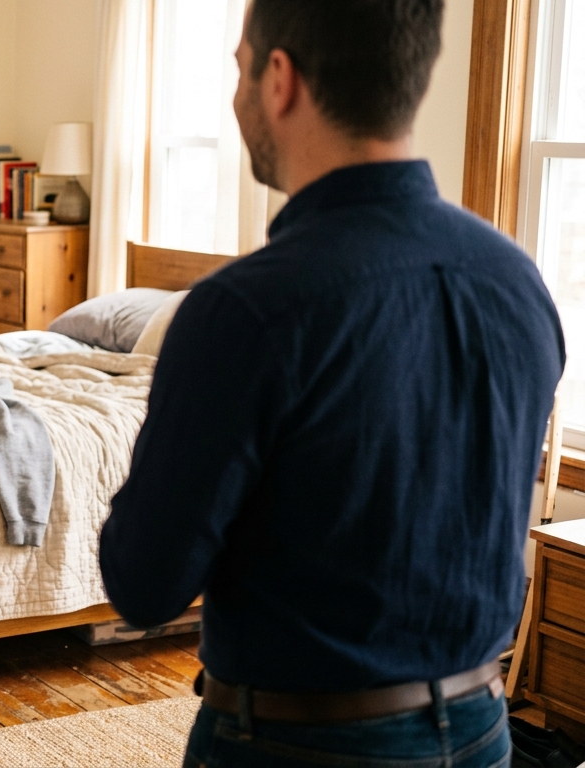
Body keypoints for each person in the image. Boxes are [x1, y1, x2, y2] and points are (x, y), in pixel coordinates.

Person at [98, 1, 565, 765]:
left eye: (239, 67)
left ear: (279, 78)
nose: (235, 91)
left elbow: (144, 586)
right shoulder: (517, 281)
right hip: (482, 732)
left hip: (297, 745)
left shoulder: (246, 310)